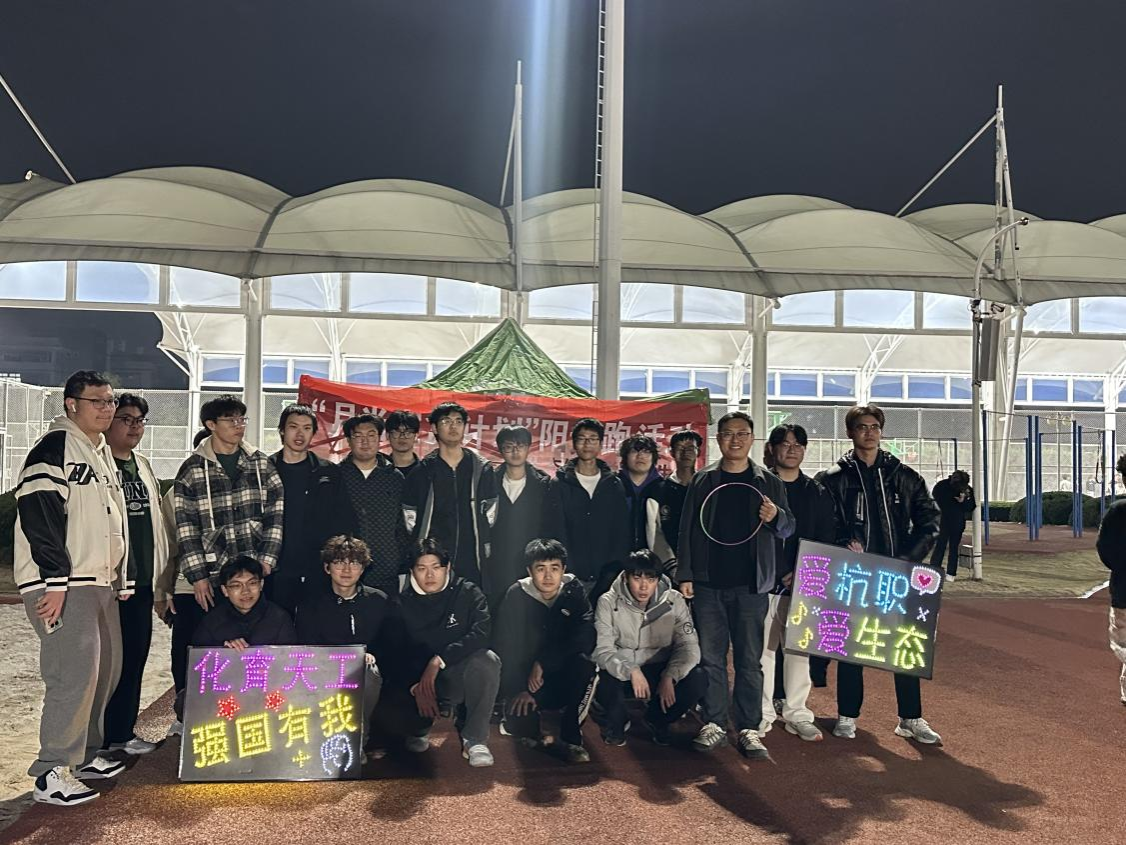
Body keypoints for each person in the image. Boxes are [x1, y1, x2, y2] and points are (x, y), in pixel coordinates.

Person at [15, 371, 132, 805]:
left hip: (98, 581)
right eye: (97, 401)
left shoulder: (99, 452)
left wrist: (121, 576)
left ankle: (83, 757)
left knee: (105, 671)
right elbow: (39, 513)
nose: (107, 408)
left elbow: (112, 521)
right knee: (73, 675)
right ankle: (51, 772)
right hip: (65, 583)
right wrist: (55, 581)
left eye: (110, 401)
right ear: (71, 404)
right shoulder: (55, 446)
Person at [816, 404, 943, 745]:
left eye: (874, 426)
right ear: (850, 432)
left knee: (904, 646)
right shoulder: (833, 478)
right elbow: (821, 523)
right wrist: (843, 543)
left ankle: (910, 718)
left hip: (897, 575)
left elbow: (930, 521)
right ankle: (847, 715)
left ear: (881, 431)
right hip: (854, 575)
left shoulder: (904, 476)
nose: (869, 432)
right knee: (851, 646)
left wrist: (907, 559)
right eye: (862, 426)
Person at [676, 411, 793, 759]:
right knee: (710, 658)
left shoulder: (769, 482)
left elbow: (789, 528)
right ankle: (713, 721)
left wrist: (776, 517)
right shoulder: (704, 479)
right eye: (728, 433)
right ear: (719, 439)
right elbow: (687, 529)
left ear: (753, 439)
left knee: (749, 660)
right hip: (708, 584)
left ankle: (748, 727)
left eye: (742, 433)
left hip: (751, 585)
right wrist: (686, 574)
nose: (735, 440)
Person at [171, 394, 284, 725]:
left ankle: (257, 710)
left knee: (256, 643)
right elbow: (185, 526)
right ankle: (197, 713)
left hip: (253, 572)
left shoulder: (261, 464)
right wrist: (198, 576)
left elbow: (276, 514)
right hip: (212, 573)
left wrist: (267, 560)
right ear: (210, 425)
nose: (239, 426)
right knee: (207, 643)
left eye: (242, 419)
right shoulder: (192, 470)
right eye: (230, 420)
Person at [391, 539, 501, 767]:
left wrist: (439, 660)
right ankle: (419, 727)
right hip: (419, 681)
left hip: (456, 675)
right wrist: (416, 686)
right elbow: (396, 652)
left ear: (447, 567)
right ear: (412, 572)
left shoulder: (468, 592)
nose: (430, 575)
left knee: (487, 661)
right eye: (422, 568)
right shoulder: (401, 603)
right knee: (406, 734)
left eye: (436, 567)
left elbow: (481, 634)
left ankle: (475, 739)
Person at [759, 424, 838, 742]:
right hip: (764, 585)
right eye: (785, 443)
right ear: (772, 448)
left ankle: (797, 713)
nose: (792, 450)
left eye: (798, 444)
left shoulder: (816, 492)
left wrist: (804, 571)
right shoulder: (759, 486)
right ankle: (762, 713)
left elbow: (825, 538)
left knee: (799, 651)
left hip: (804, 585)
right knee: (763, 653)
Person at [102, 393, 171, 756]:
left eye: (140, 421)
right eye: (126, 419)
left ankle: (121, 733)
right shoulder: (97, 463)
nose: (134, 427)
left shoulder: (142, 466)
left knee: (134, 658)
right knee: (107, 664)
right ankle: (97, 738)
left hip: (141, 581)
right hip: (109, 583)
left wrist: (160, 583)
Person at [492, 539, 595, 762]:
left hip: (560, 672)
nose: (548, 576)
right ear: (530, 571)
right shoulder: (516, 595)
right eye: (541, 569)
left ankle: (571, 733)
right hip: (526, 679)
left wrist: (544, 662)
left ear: (563, 570)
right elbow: (505, 647)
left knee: (585, 664)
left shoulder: (574, 591)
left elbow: (585, 636)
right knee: (520, 729)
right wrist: (520, 688)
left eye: (554, 568)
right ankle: (520, 714)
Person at [592, 550, 708, 747]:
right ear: (626, 577)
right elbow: (603, 650)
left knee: (698, 677)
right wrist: (631, 670)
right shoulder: (607, 601)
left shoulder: (674, 600)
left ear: (658, 580)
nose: (644, 586)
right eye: (637, 578)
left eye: (651, 579)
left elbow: (688, 646)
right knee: (604, 680)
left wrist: (670, 675)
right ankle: (616, 720)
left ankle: (657, 719)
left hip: (658, 668)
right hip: (623, 670)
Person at [296, 536, 393, 746]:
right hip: (324, 668)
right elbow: (306, 646)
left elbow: (389, 643)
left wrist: (371, 655)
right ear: (327, 568)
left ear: (363, 568)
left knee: (368, 671)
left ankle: (358, 738)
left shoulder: (378, 600)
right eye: (339, 562)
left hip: (367, 671)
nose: (347, 570)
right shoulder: (311, 604)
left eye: (354, 563)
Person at [269, 404, 357, 614]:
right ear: (282, 431)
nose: (300, 434)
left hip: (317, 570)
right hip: (275, 569)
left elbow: (344, 520)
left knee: (317, 626)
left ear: (313, 433)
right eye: (293, 427)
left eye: (307, 428)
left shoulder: (328, 472)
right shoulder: (265, 469)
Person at [401, 402, 496, 587]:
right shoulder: (422, 472)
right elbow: (409, 519)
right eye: (446, 421)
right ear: (434, 428)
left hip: (473, 558)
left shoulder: (481, 469)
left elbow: (491, 515)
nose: (453, 426)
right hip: (433, 561)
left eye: (458, 421)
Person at [483, 425, 565, 609]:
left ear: (528, 448)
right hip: (496, 564)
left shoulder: (543, 484)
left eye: (520, 446)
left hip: (531, 564)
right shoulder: (488, 482)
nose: (515, 451)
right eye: (509, 447)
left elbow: (551, 526)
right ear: (500, 450)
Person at [337, 413, 410, 595]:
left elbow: (403, 525)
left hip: (386, 570)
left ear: (379, 439)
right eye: (358, 436)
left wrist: (401, 563)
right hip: (345, 571)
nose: (365, 441)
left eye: (371, 435)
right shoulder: (336, 476)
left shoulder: (395, 478)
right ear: (348, 441)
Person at [555, 418, 631, 592]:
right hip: (569, 574)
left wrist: (613, 570)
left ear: (600, 444)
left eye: (593, 439)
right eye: (581, 439)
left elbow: (621, 531)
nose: (587, 444)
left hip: (607, 575)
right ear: (574, 444)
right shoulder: (560, 483)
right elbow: (556, 529)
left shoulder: (613, 484)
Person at [192, 557, 296, 649]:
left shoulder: (280, 618)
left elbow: (288, 660)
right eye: (236, 585)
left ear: (261, 584)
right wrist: (224, 651)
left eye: (252, 583)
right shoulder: (211, 621)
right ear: (225, 590)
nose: (245, 591)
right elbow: (197, 660)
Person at [645, 429, 702, 572]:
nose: (685, 452)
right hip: (669, 568)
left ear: (698, 452)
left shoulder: (706, 487)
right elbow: (654, 532)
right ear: (671, 452)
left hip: (703, 566)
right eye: (680, 448)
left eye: (690, 448)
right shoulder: (658, 490)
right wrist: (671, 566)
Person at [1095, 454, 1126, 706]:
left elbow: (1104, 548)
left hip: (1124, 589)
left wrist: (1121, 567)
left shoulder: (1117, 511)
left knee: (1124, 643)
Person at [618, 434, 662, 553]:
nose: (640, 456)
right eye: (634, 451)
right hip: (617, 555)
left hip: (655, 556)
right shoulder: (613, 486)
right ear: (625, 457)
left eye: (646, 452)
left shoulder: (663, 488)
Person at [930, 469, 976, 581]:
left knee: (952, 548)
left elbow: (971, 506)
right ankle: (936, 570)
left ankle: (950, 573)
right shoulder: (942, 486)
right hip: (943, 521)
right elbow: (936, 499)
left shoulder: (967, 489)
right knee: (941, 546)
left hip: (956, 522)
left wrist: (963, 501)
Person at [385, 409, 422, 477]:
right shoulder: (379, 472)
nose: (402, 437)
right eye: (397, 432)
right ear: (387, 435)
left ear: (416, 436)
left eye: (408, 432)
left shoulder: (426, 472)